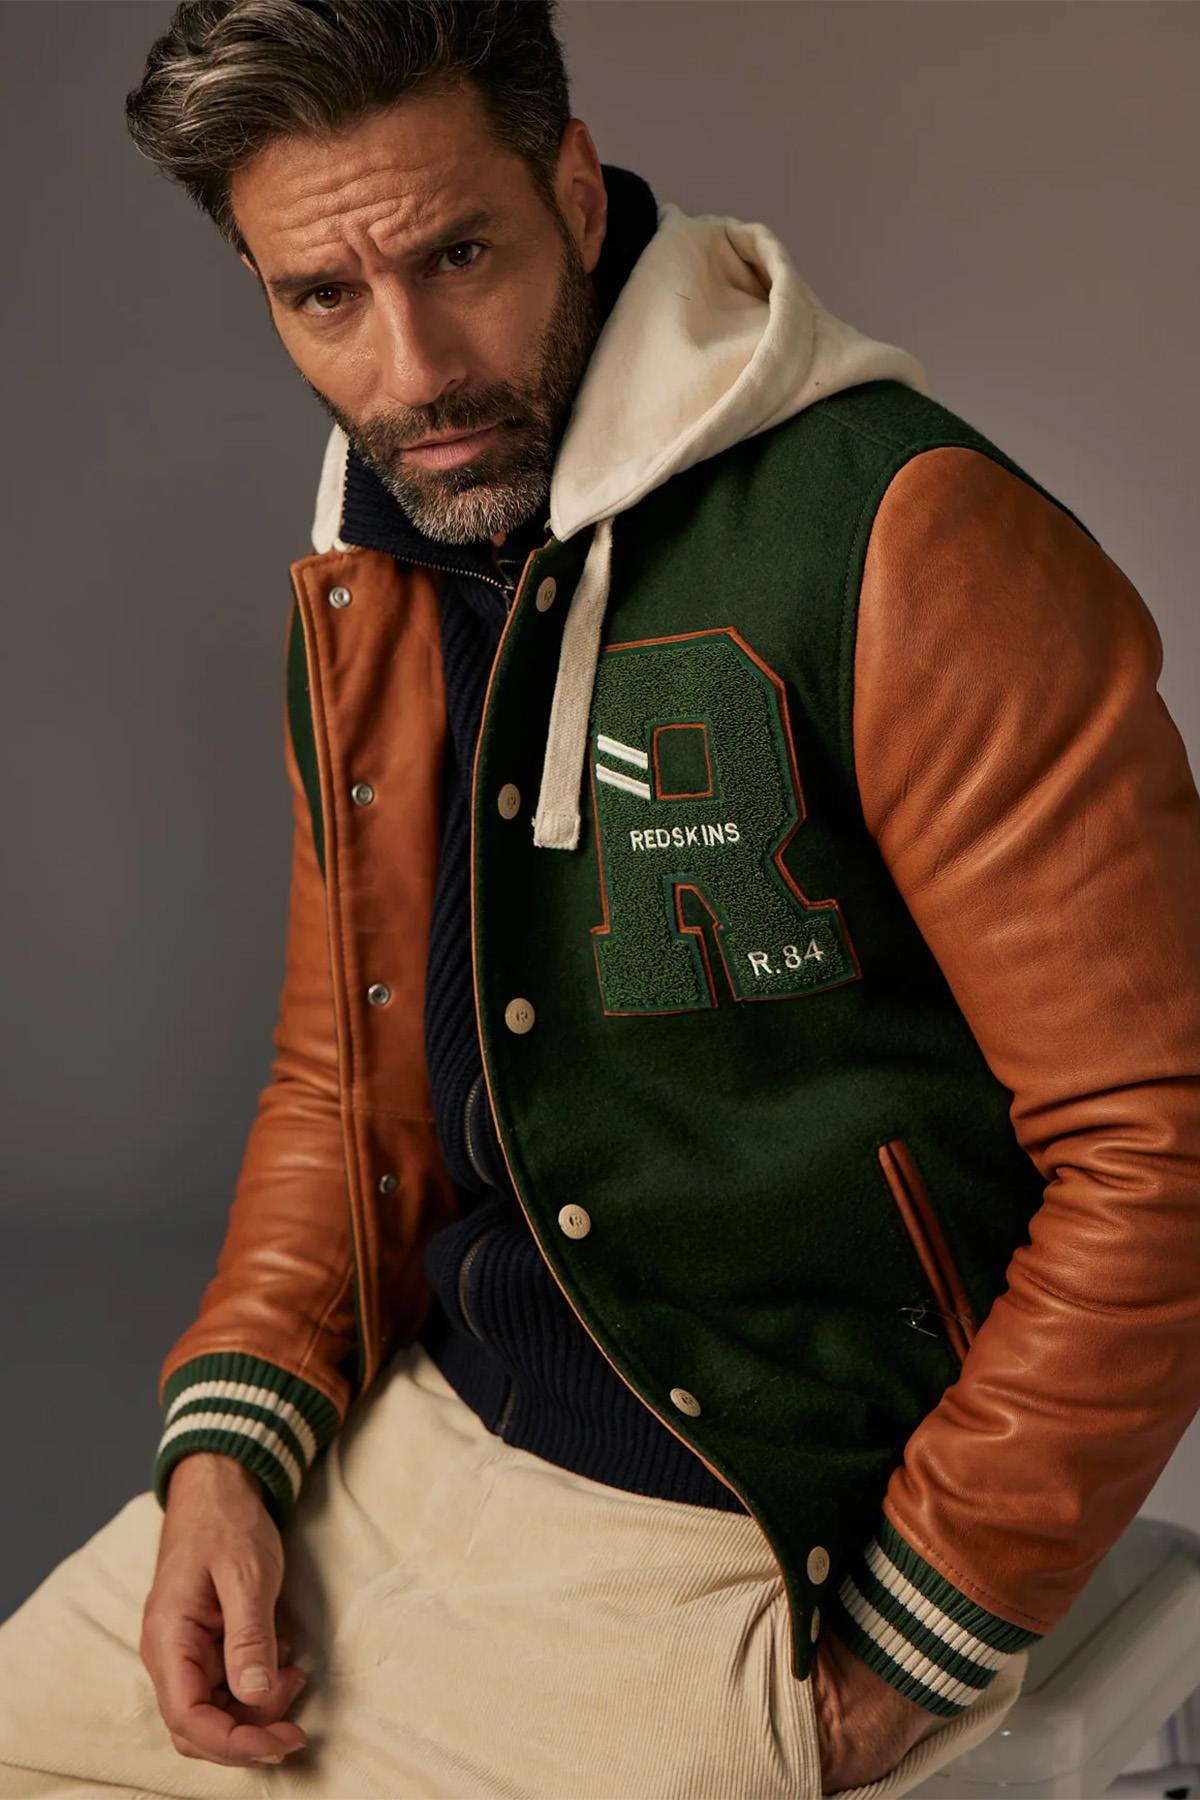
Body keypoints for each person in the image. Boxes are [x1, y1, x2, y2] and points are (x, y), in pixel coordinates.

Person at [1, 1, 1197, 1796]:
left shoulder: (900, 533)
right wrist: (232, 1452)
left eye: (458, 256)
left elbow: (1163, 1140)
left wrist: (921, 1630)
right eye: (323, 297)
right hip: (419, 1435)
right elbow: (345, 1079)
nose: (412, 370)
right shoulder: (375, 573)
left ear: (570, 187)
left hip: (769, 1518)